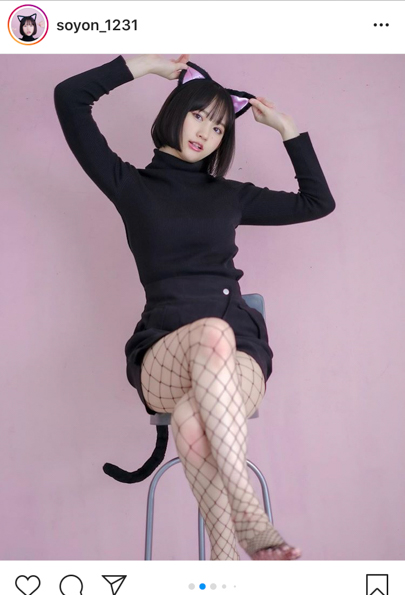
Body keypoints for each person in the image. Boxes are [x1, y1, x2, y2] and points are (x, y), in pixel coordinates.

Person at [54, 54, 336, 561]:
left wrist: (288, 130)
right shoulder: (129, 185)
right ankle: (249, 515)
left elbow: (317, 202)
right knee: (210, 334)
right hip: (164, 350)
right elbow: (69, 99)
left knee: (191, 415)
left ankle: (226, 561)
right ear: (175, 113)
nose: (206, 132)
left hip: (240, 352)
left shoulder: (231, 196)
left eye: (220, 127)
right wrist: (140, 65)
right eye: (199, 115)